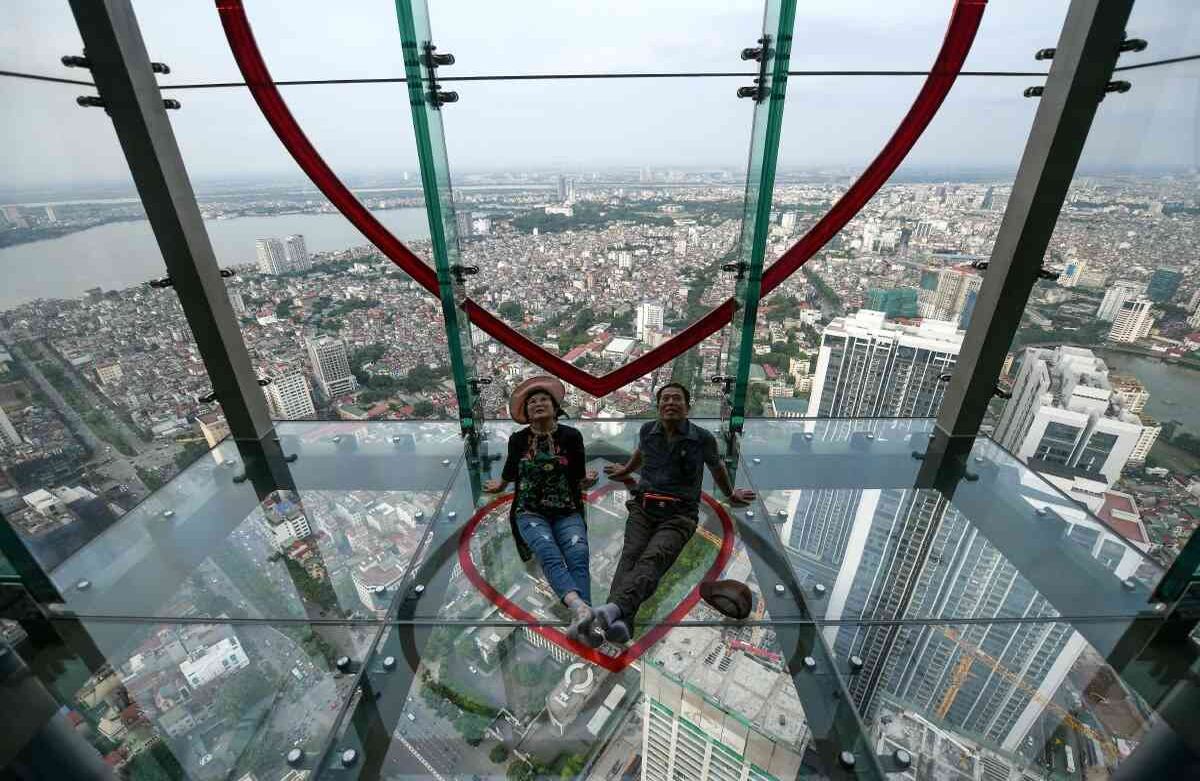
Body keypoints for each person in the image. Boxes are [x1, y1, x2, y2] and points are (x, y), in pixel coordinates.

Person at [592, 382, 755, 643]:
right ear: (658, 407)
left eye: (676, 399)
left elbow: (717, 469)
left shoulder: (702, 439)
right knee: (630, 556)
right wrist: (624, 472)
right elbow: (640, 454)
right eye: (665, 399)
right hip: (644, 506)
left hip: (679, 514)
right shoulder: (648, 430)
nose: (669, 403)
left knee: (654, 559)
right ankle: (621, 619)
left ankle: (613, 611)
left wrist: (730, 494)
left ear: (687, 407)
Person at [483, 376, 600, 647]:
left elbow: (577, 475)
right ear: (526, 413)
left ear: (555, 406)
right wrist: (500, 484)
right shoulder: (518, 440)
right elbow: (511, 470)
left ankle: (583, 617)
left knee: (579, 554)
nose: (538, 404)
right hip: (530, 511)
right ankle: (583, 613)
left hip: (567, 508)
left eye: (544, 399)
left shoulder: (572, 436)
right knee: (548, 552)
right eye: (532, 401)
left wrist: (587, 481)